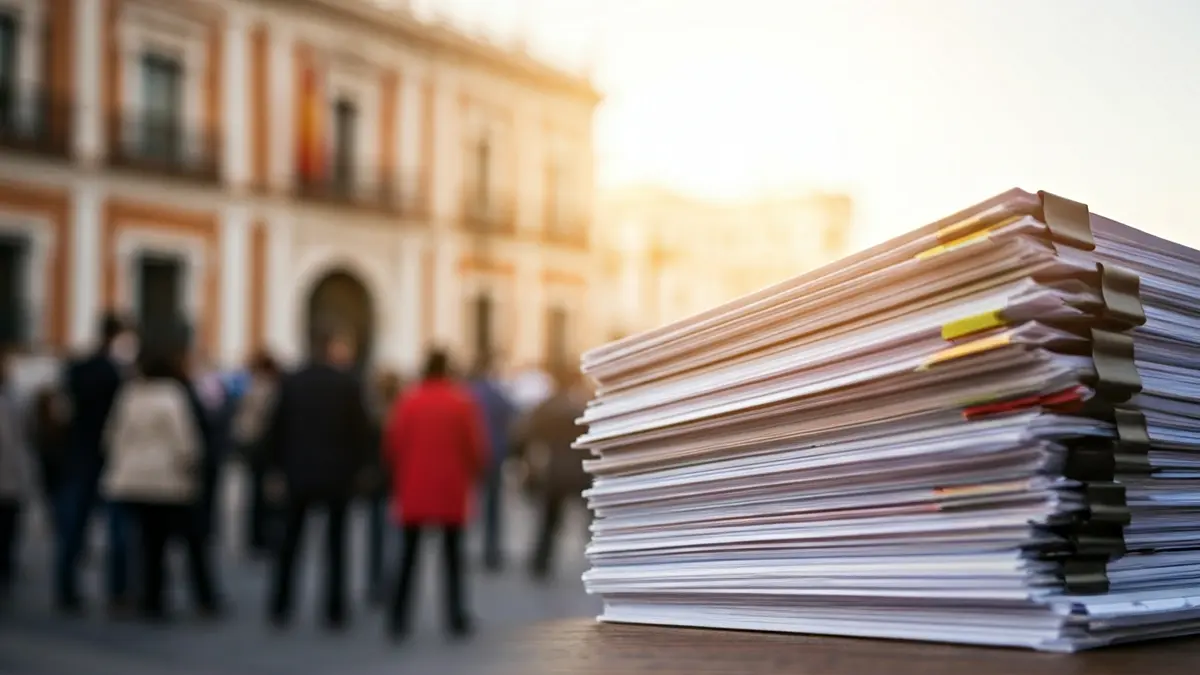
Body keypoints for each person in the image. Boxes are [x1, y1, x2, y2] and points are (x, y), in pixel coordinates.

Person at [263, 328, 370, 630]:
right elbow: (361, 432)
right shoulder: (347, 384)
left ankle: (280, 606)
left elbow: (276, 429)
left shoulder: (292, 382)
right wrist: (359, 469)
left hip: (298, 474)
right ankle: (334, 610)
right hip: (337, 476)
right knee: (336, 547)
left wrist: (275, 469)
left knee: (290, 544)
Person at [101, 343, 218, 621]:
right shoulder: (172, 395)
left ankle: (148, 598)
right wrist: (191, 467)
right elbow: (185, 441)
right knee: (176, 540)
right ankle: (180, 598)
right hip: (167, 480)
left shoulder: (130, 394)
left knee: (147, 542)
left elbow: (112, 435)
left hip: (133, 479)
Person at [384, 348, 487, 641]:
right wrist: (475, 474)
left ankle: (398, 618)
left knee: (407, 556)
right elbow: (475, 447)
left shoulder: (409, 401)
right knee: (453, 558)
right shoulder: (461, 402)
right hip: (450, 489)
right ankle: (454, 616)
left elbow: (393, 443)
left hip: (414, 487)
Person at [55, 311, 136, 614]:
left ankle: (66, 588)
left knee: (74, 527)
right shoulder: (116, 373)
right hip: (109, 456)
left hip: (79, 454)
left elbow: (63, 411)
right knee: (118, 529)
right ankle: (117, 592)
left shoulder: (77, 368)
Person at [512, 365, 590, 581]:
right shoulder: (581, 407)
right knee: (591, 522)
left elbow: (522, 435)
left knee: (548, 522)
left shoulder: (545, 407)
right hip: (579, 471)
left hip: (552, 470)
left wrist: (523, 460)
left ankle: (540, 564)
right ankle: (606, 562)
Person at [466, 353, 516, 572]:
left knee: (471, 502)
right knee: (493, 507)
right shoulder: (497, 393)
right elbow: (513, 414)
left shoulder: (468, 393)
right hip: (494, 454)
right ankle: (491, 551)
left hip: (472, 457)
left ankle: (466, 548)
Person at [232, 350, 281, 556]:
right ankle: (262, 536)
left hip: (252, 443)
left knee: (255, 492)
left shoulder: (254, 386)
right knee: (264, 493)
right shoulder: (268, 387)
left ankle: (256, 536)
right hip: (262, 444)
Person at [0, 349, 35, 602]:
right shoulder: (13, 400)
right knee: (7, 532)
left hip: (10, 478)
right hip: (10, 479)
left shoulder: (15, 399)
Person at [365, 370, 402, 604]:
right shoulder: (399, 413)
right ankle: (386, 581)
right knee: (390, 534)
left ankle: (378, 581)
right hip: (392, 480)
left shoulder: (373, 413)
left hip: (378, 480)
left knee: (377, 533)